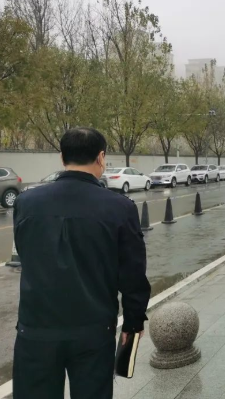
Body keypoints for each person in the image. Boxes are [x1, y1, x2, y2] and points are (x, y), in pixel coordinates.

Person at [12, 128, 151, 399]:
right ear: (101, 157)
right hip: (94, 331)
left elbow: (27, 255)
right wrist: (133, 322)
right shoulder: (119, 207)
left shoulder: (26, 202)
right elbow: (133, 273)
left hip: (36, 329)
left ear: (62, 157)